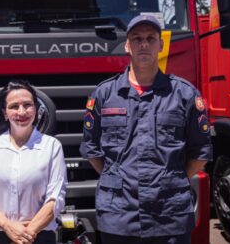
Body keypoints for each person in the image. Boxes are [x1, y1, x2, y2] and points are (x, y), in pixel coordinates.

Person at [80, 14, 212, 244]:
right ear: (127, 46)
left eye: (151, 38)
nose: (144, 44)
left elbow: (200, 152)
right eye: (137, 38)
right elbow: (91, 148)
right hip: (119, 214)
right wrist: (118, 176)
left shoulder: (184, 94)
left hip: (170, 213)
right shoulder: (105, 94)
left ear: (161, 45)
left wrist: (169, 180)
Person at [0, 80, 67, 244]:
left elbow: (56, 198)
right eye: (14, 106)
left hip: (38, 237)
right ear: (5, 113)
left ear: (36, 109)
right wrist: (8, 226)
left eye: (27, 105)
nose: (22, 112)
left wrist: (26, 235)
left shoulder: (52, 146)